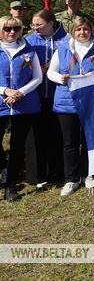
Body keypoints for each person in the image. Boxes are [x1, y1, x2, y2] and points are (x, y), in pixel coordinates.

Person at [47, 16, 94, 196]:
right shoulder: (63, 49)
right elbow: (50, 72)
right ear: (73, 31)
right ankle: (71, 179)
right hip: (67, 102)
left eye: (86, 29)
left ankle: (88, 174)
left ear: (91, 30)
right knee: (70, 142)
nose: (82, 32)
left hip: (91, 101)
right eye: (79, 29)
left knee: (89, 140)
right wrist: (60, 78)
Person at [0, 15, 43, 201]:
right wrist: (5, 90)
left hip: (24, 105)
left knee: (17, 146)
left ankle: (10, 187)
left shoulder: (29, 50)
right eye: (7, 29)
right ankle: (3, 170)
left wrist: (20, 92)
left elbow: (38, 77)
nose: (12, 32)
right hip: (1, 104)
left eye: (16, 29)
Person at [25, 9, 66, 187]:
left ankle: (57, 173)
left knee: (56, 135)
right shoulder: (29, 40)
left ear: (51, 23)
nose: (35, 28)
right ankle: (37, 175)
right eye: (33, 24)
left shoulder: (66, 40)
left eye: (39, 24)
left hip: (58, 95)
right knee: (36, 136)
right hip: (35, 95)